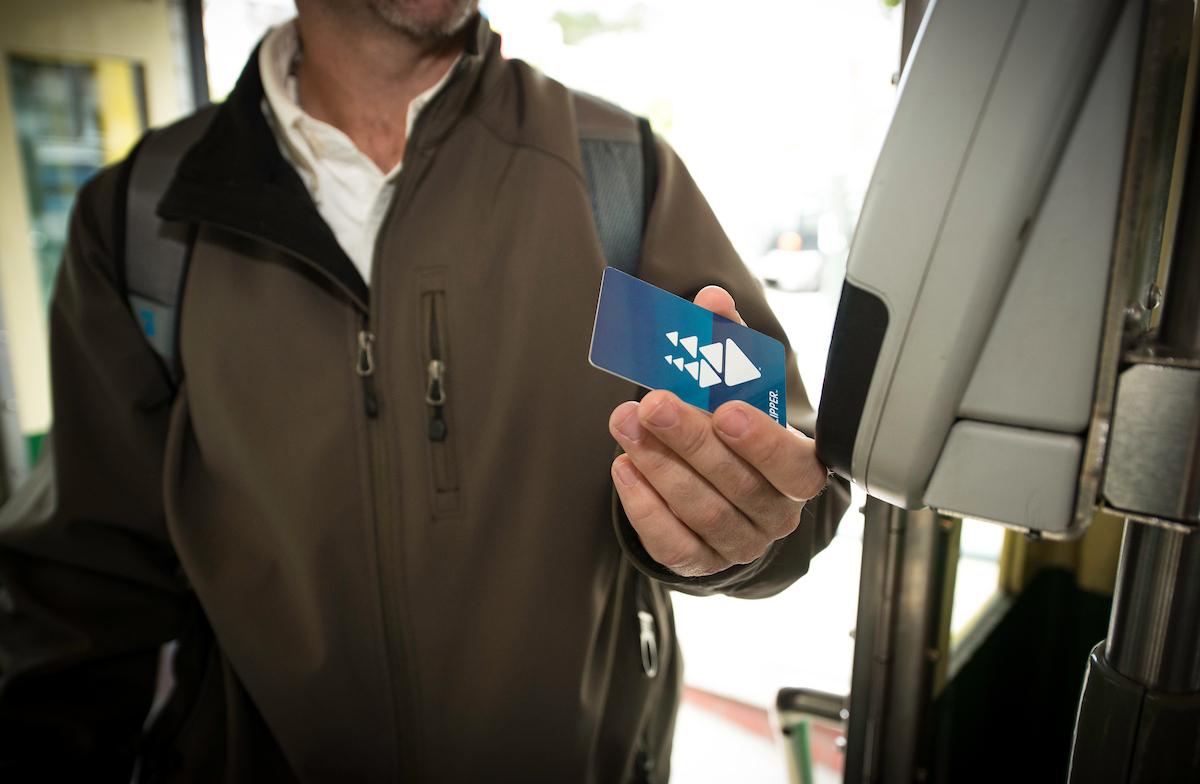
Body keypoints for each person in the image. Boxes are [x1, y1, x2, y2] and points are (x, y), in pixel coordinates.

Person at [0, 0, 849, 781]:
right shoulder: (143, 223)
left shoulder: (617, 179)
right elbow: (82, 598)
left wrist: (732, 525)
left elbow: (792, 481)